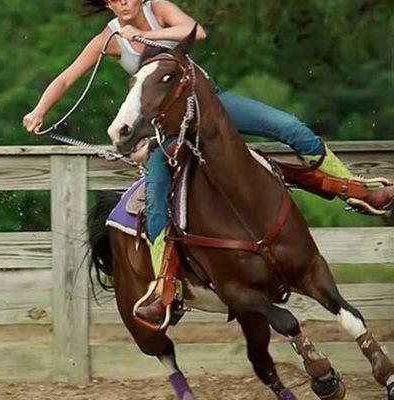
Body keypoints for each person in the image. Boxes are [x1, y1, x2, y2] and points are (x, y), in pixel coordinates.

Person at [23, 0, 393, 323]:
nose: (123, 5)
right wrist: (40, 110)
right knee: (155, 198)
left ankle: (356, 188)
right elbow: (69, 77)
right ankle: (163, 285)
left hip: (210, 104)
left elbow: (197, 31)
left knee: (290, 127)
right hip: (167, 129)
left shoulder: (159, 9)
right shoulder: (108, 39)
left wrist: (153, 38)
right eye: (113, 1)